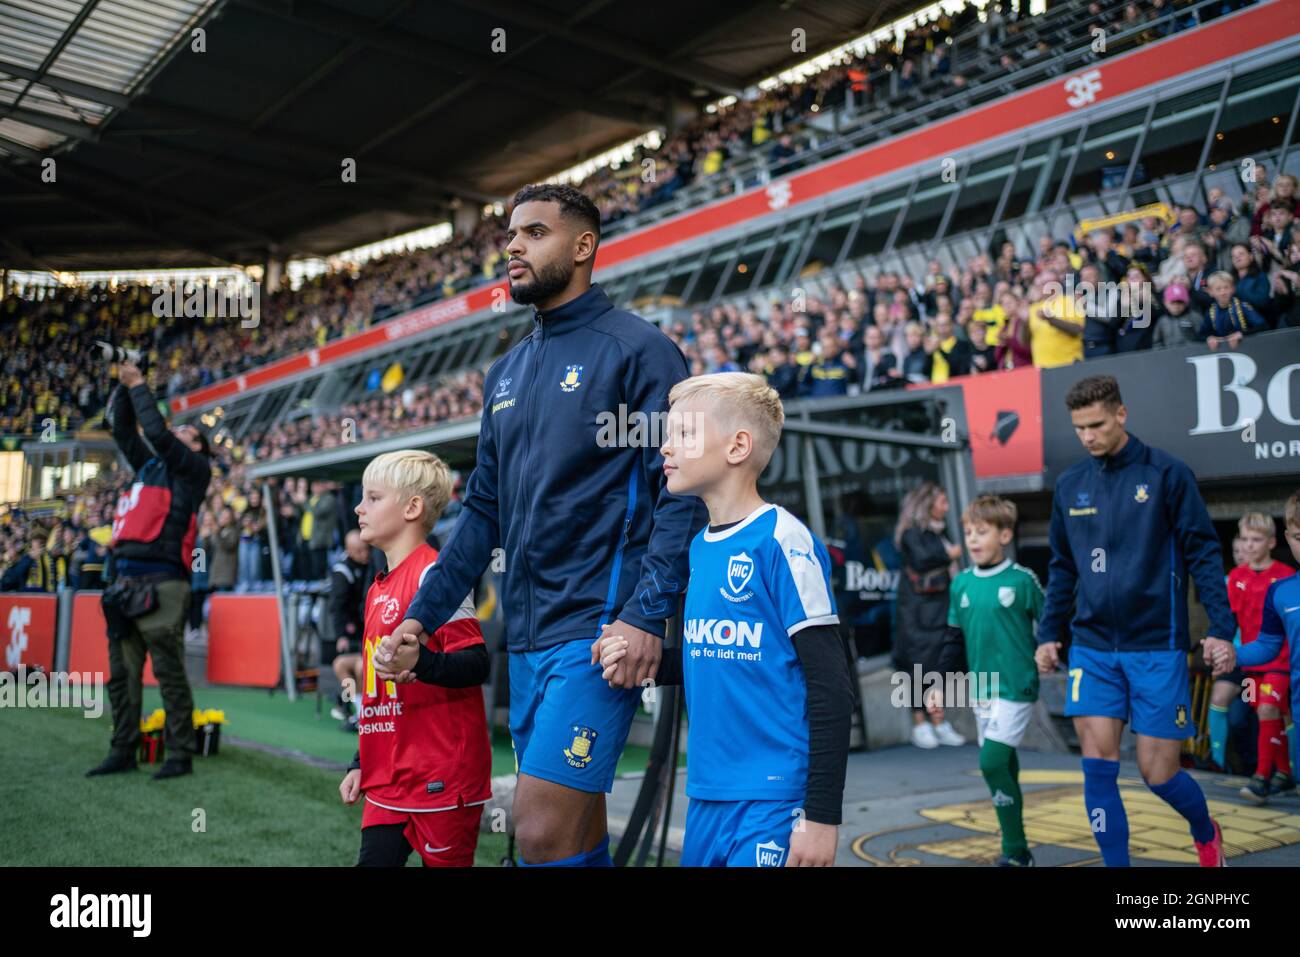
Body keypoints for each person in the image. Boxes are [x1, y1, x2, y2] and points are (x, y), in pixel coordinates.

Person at [375, 183, 708, 867]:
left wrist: (645, 617)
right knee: (574, 835)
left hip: (596, 635)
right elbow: (482, 515)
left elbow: (682, 492)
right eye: (509, 235)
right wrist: (421, 616)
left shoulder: (640, 349)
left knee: (534, 830)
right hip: (523, 640)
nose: (512, 247)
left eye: (532, 233)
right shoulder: (505, 370)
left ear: (584, 246)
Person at [595, 373, 853, 866]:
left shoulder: (783, 540)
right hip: (708, 794)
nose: (666, 446)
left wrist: (821, 818)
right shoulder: (698, 547)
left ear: (738, 446)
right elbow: (713, 656)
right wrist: (646, 661)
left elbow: (832, 685)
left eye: (685, 434)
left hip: (775, 799)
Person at [1035, 375, 1236, 866]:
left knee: (1159, 773)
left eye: (1097, 424)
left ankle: (1205, 830)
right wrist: (1047, 634)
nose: (1088, 436)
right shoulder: (1070, 486)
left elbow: (1204, 554)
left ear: (1121, 415)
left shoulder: (1167, 474)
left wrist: (1221, 629)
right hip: (1092, 647)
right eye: (1079, 427)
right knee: (1098, 766)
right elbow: (1062, 568)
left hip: (1157, 647)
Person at [339, 451, 491, 866]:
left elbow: (478, 664)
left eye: (372, 498)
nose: (359, 508)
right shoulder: (375, 588)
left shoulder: (436, 576)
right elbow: (376, 692)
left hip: (440, 776)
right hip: (386, 777)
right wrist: (360, 761)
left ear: (412, 507)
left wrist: (421, 663)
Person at [88, 362, 212, 781]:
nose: (180, 435)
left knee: (168, 671)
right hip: (124, 582)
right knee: (121, 676)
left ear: (199, 450)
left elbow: (156, 433)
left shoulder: (195, 472)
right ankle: (123, 749)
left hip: (165, 582)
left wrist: (139, 384)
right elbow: (124, 432)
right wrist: (123, 385)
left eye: (190, 435)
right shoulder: (150, 467)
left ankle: (180, 755)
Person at [936, 494, 1044, 866]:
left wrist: (1053, 652)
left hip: (1016, 685)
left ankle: (1015, 849)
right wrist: (936, 686)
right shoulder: (961, 584)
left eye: (982, 532)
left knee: (991, 762)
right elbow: (953, 640)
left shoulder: (1023, 580)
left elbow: (1052, 625)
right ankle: (1017, 847)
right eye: (968, 532)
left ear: (1005, 535)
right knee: (1005, 763)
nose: (974, 540)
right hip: (980, 688)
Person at [1226, 493, 1300, 796]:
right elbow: (1237, 626)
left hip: (1280, 666)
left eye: (1256, 539)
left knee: (1269, 709)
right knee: (1259, 713)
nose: (1248, 546)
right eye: (1245, 539)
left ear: (1271, 542)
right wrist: (1228, 652)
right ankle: (1283, 771)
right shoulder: (1238, 578)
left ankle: (1260, 777)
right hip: (1253, 664)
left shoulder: (1283, 574)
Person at [894, 482, 966, 749]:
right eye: (942, 502)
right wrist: (949, 554)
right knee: (916, 668)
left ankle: (939, 721)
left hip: (938, 610)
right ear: (928, 504)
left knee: (938, 666)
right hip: (918, 612)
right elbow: (923, 560)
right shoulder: (914, 533)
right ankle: (920, 723)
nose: (946, 507)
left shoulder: (939, 532)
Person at [328, 529, 371, 729]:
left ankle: (366, 712)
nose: (365, 554)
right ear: (349, 550)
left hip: (371, 637)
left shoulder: (374, 564)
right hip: (354, 635)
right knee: (340, 665)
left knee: (363, 668)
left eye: (365, 549)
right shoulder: (342, 572)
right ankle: (356, 708)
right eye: (359, 551)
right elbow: (337, 607)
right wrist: (342, 635)